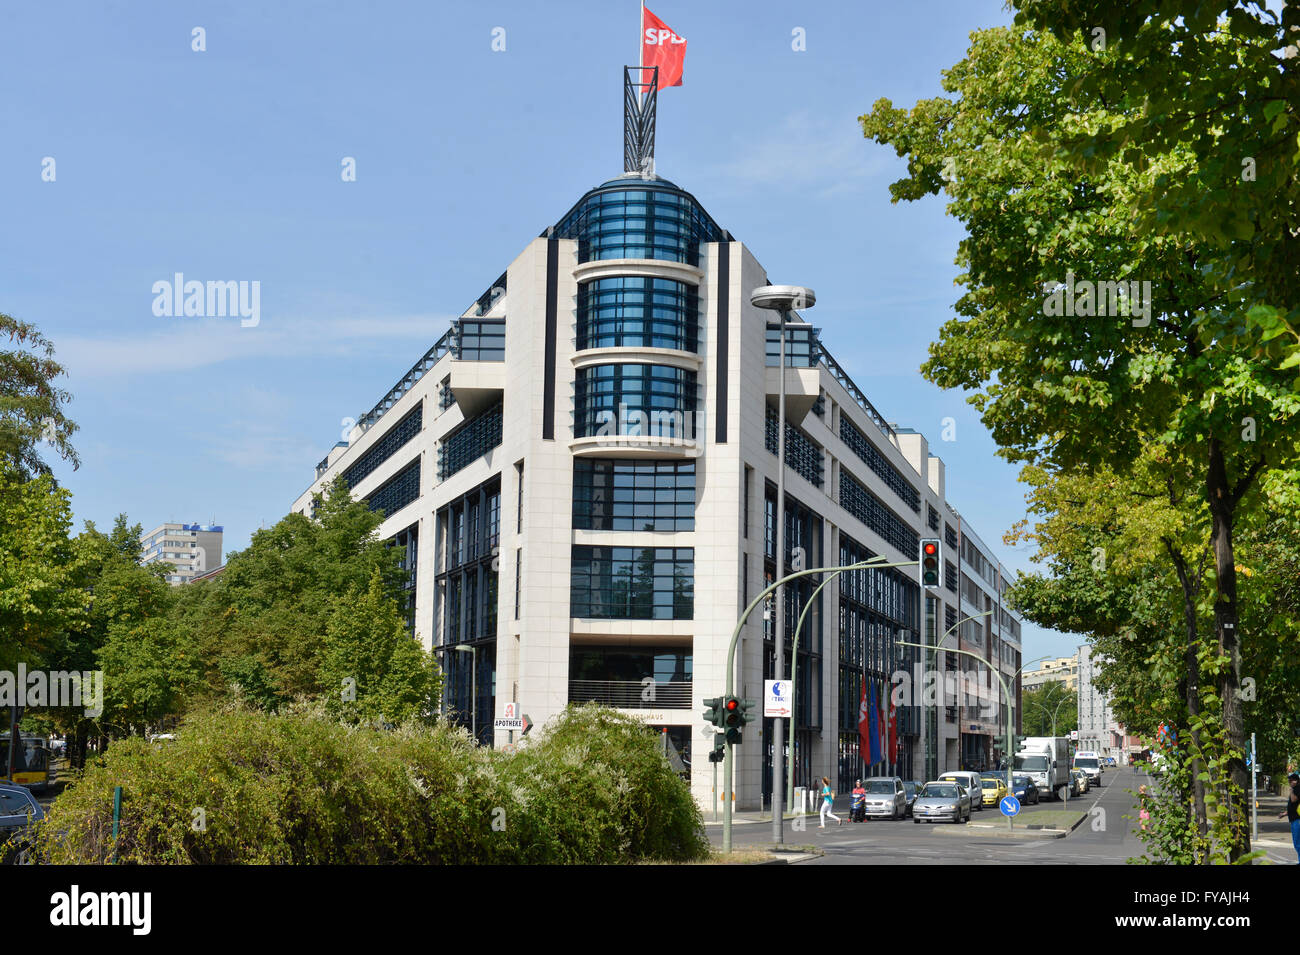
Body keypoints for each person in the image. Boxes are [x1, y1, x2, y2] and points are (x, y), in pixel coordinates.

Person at [1278, 771, 1300, 864]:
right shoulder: (1296, 788)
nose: (1290, 782)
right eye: (1289, 781)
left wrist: (1291, 790)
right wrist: (1285, 813)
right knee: (1297, 843)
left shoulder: (1298, 788)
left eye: (1291, 781)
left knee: (1298, 843)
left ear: (1297, 781)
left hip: (1297, 820)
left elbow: (1294, 799)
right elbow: (1293, 807)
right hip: (1294, 819)